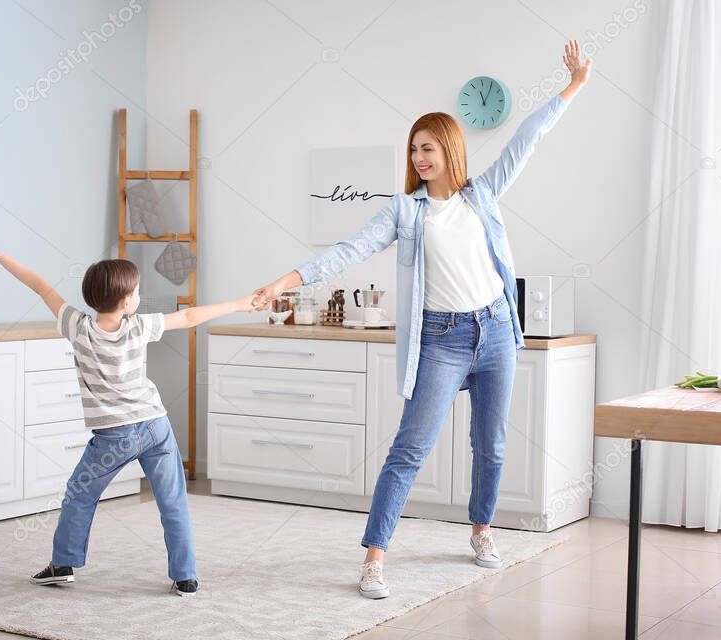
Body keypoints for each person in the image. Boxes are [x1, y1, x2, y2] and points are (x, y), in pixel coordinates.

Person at [253, 41, 592, 599]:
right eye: (414, 150)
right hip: (442, 339)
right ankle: (374, 558)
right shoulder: (405, 211)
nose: (419, 159)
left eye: (429, 148)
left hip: (498, 333)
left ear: (451, 150)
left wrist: (574, 85)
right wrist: (284, 282)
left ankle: (481, 532)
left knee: (493, 445)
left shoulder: (482, 195)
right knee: (409, 450)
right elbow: (348, 249)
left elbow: (526, 139)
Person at [0, 236, 256, 596]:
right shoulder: (139, 327)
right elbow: (190, 316)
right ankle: (185, 577)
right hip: (155, 426)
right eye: (136, 292)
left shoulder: (77, 327)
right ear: (126, 302)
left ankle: (63, 564)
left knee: (79, 495)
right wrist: (241, 303)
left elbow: (40, 285)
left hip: (113, 437)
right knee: (173, 502)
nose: (138, 297)